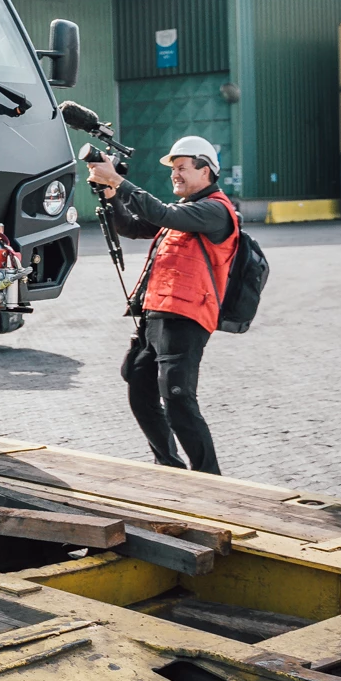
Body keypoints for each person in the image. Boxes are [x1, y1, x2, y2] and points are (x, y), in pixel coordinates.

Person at [85, 135, 239, 475]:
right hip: (155, 314)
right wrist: (110, 195)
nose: (175, 175)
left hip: (186, 319)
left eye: (182, 167)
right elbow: (132, 226)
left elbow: (161, 213)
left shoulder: (215, 210)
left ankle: (210, 478)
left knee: (178, 398)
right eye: (173, 169)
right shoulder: (184, 211)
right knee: (139, 387)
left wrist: (118, 180)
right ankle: (168, 467)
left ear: (206, 171)